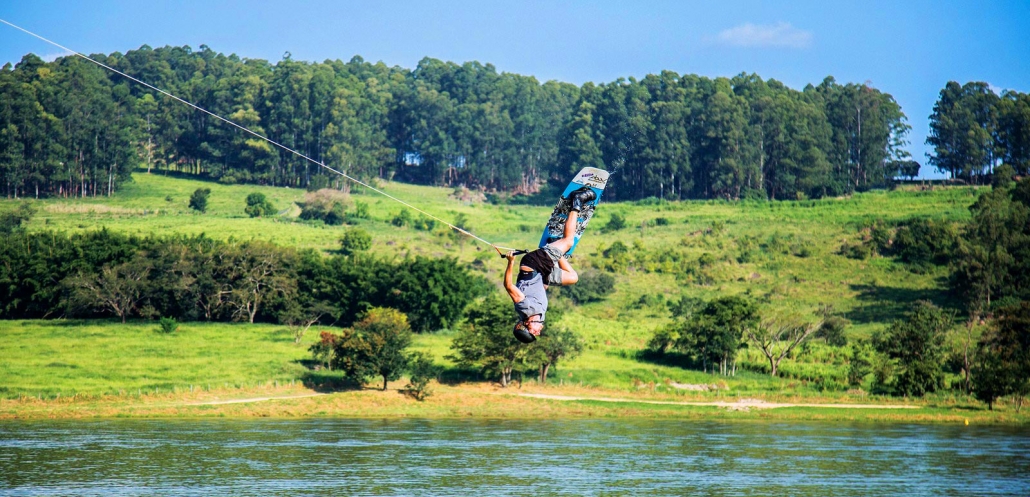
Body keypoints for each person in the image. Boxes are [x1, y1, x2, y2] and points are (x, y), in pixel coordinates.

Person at [503, 187, 596, 343]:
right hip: (543, 275)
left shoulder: (524, 309)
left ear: (526, 325)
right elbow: (539, 291)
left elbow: (508, 286)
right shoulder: (540, 317)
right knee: (573, 278)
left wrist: (510, 262)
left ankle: (577, 200)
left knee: (568, 241)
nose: (538, 333)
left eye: (534, 332)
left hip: (534, 265)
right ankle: (554, 245)